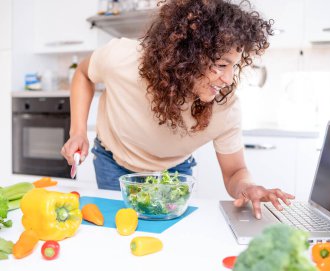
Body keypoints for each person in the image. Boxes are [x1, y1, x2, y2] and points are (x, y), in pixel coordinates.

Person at [61, 0, 294, 219]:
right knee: (118, 230)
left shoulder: (225, 106)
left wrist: (248, 187)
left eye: (234, 66)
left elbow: (235, 172)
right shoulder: (123, 58)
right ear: (186, 56)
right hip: (114, 161)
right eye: (221, 65)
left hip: (174, 170)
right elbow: (83, 74)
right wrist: (78, 132)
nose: (229, 79)